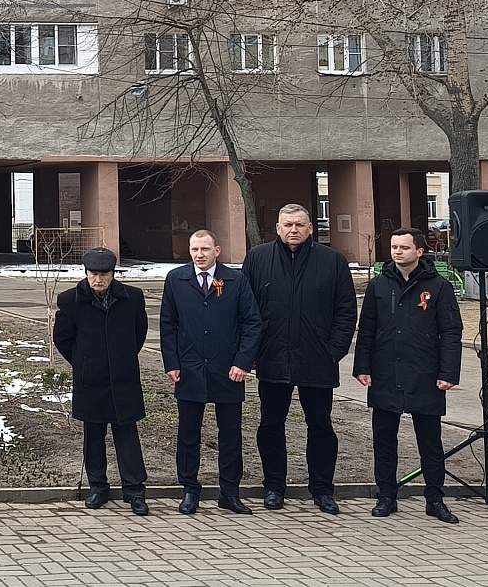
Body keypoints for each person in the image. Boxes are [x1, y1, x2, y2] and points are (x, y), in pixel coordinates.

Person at [242, 204, 358, 514]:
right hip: (272, 359)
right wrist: (251, 351)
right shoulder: (257, 258)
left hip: (317, 359)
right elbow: (246, 308)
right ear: (277, 228)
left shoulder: (331, 261)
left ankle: (322, 489)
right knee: (270, 425)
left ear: (310, 228)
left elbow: (346, 310)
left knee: (320, 425)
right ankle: (274, 487)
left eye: (300, 224)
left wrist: (333, 350)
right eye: (287, 224)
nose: (294, 230)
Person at [354, 227, 463, 523]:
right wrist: (362, 367)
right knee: (384, 437)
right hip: (386, 371)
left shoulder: (438, 286)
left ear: (419, 251)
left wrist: (448, 372)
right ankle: (386, 495)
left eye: (404, 247)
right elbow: (366, 330)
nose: (398, 252)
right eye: (393, 247)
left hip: (424, 373)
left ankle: (435, 498)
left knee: (430, 440)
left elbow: (451, 332)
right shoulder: (378, 285)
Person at [160, 230, 262, 516]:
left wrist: (243, 362)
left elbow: (252, 324)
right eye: (194, 249)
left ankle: (229, 492)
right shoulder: (176, 280)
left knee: (230, 434)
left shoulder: (235, 280)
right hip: (190, 369)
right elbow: (168, 324)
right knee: (188, 433)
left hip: (228, 370)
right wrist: (172, 363)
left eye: (205, 249)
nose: (199, 254)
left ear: (217, 250)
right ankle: (190, 489)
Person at [51, 247, 150, 516]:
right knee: (93, 435)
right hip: (90, 380)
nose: (98, 280)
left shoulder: (132, 298)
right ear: (85, 273)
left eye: (104, 275)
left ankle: (135, 491)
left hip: (123, 378)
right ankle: (98, 487)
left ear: (112, 275)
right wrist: (84, 362)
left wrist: (124, 357)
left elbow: (139, 332)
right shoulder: (70, 300)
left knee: (127, 434)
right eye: (93, 274)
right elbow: (62, 338)